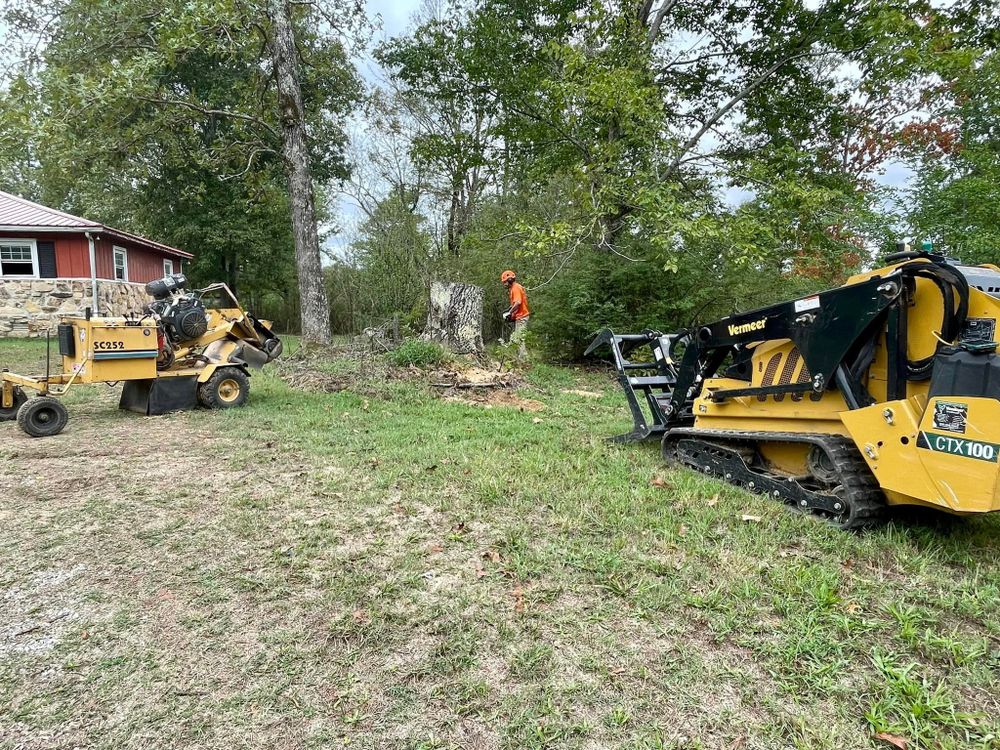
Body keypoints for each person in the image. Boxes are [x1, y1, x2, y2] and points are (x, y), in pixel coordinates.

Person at [501, 270, 530, 362]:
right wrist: (510, 312)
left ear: (509, 280)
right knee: (516, 339)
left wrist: (509, 312)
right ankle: (519, 359)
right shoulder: (515, 288)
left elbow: (518, 303)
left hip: (522, 317)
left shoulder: (515, 288)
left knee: (520, 339)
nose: (504, 284)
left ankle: (524, 360)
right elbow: (515, 304)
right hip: (519, 316)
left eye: (505, 282)